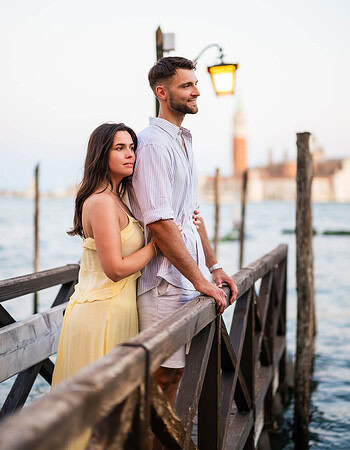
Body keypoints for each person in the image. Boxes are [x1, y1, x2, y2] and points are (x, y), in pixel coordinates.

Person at [128, 57, 238, 408]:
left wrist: (214, 266)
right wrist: (201, 281)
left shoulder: (183, 141)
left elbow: (191, 214)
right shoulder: (153, 145)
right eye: (186, 85)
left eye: (195, 83)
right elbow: (160, 224)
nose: (197, 91)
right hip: (164, 283)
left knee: (178, 377)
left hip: (186, 276)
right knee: (162, 382)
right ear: (162, 93)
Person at [52, 123, 158, 449]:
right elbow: (114, 268)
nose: (130, 154)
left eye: (132, 147)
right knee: (96, 418)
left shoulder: (117, 197)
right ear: (102, 153)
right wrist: (157, 247)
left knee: (113, 414)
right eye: (120, 148)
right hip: (103, 314)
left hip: (116, 310)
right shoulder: (101, 201)